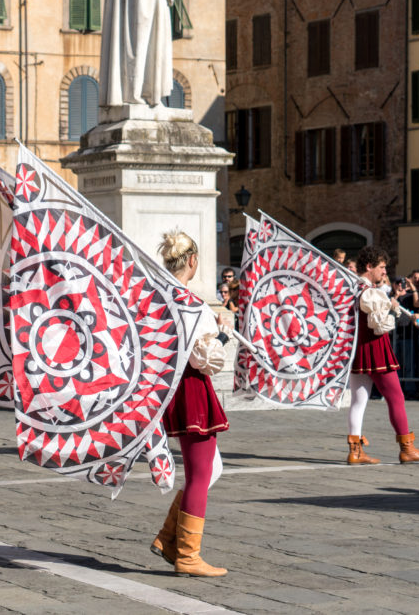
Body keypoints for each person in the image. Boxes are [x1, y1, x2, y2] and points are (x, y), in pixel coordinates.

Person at [149, 229, 230, 578]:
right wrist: (222, 333)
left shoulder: (160, 297)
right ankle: (187, 553)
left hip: (172, 386)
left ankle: (169, 538)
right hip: (192, 387)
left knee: (212, 470)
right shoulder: (192, 303)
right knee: (200, 474)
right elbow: (205, 359)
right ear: (193, 261)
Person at [345, 246, 419, 465]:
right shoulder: (369, 292)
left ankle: (355, 451)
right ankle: (407, 448)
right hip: (376, 349)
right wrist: (390, 307)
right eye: (382, 267)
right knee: (396, 398)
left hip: (359, 349)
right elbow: (380, 325)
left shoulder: (354, 288)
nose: (384, 272)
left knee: (358, 401)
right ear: (369, 267)